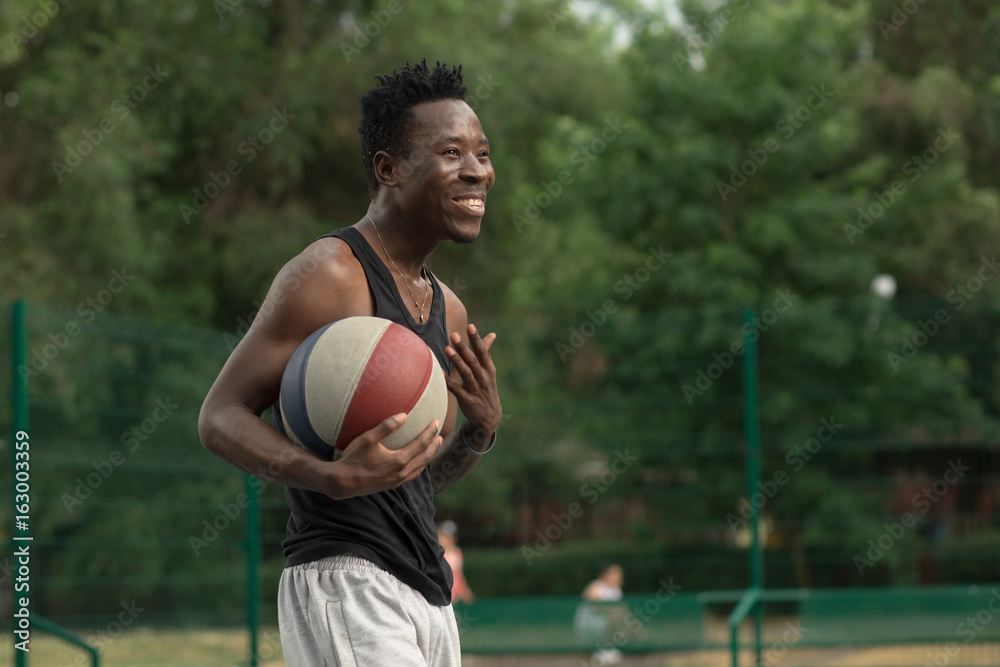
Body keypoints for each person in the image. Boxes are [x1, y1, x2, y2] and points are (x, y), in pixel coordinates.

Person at [197, 60, 501, 667]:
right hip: (347, 579)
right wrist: (327, 476)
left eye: (483, 153)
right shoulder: (330, 273)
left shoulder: (448, 305)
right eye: (450, 152)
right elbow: (219, 417)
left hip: (429, 596)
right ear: (388, 169)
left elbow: (414, 479)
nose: (477, 172)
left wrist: (480, 432)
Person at [574, 563, 626, 665]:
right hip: (588, 624)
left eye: (619, 574)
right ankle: (600, 650)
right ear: (605, 575)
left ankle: (607, 648)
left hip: (606, 624)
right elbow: (595, 604)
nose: (617, 576)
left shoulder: (617, 591)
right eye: (614, 573)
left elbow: (623, 611)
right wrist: (613, 614)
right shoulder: (596, 586)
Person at [438, 520, 475, 604]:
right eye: (444, 535)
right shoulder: (437, 554)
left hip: (455, 599)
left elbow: (459, 575)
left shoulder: (457, 553)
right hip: (443, 597)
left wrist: (465, 591)